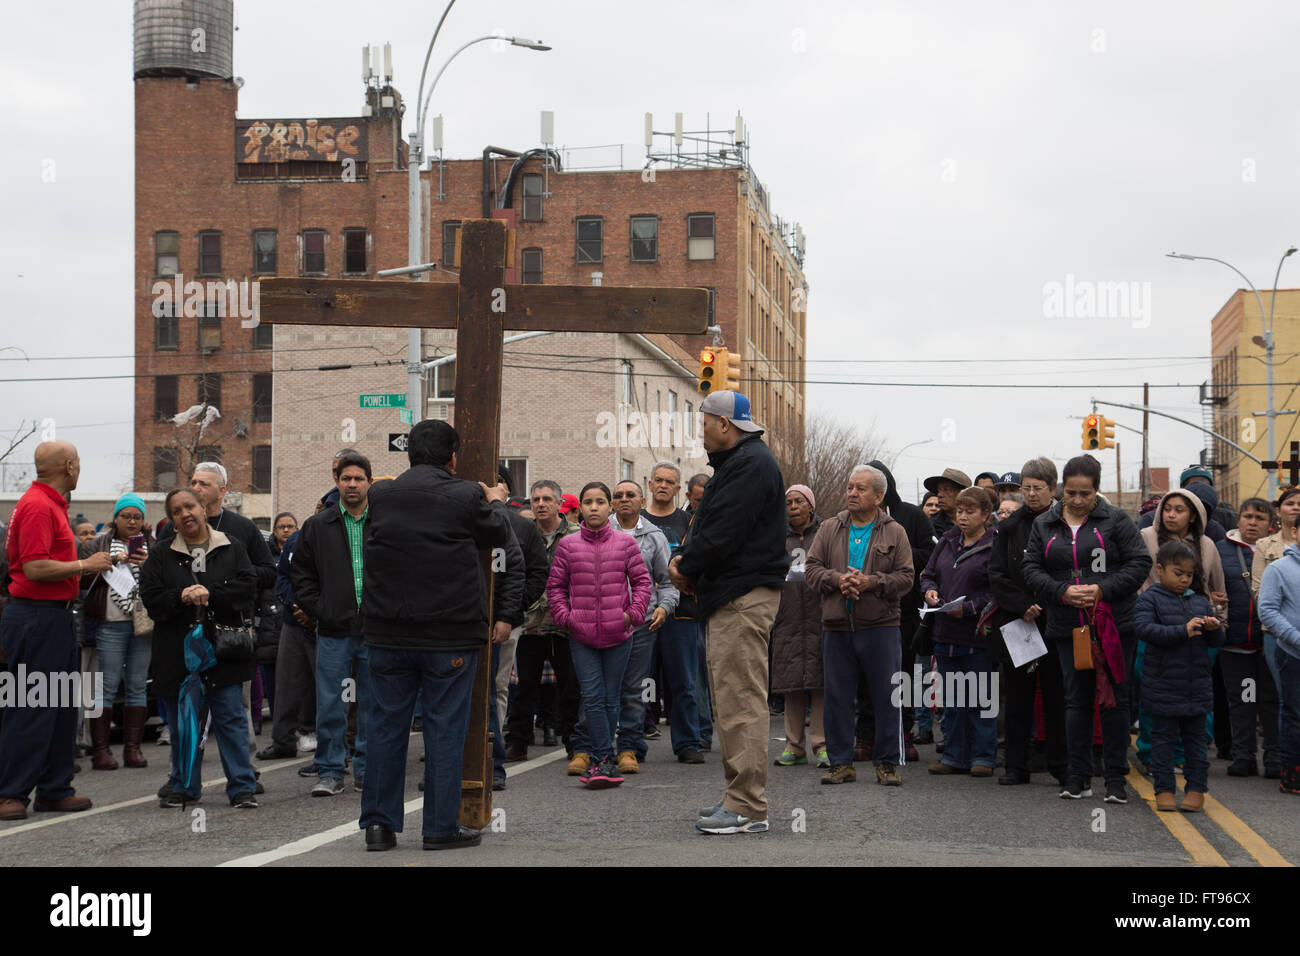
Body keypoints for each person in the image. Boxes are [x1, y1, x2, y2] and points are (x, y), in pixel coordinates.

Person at [358, 420, 520, 851]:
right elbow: (499, 533)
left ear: (409, 455)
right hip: (448, 635)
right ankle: (439, 828)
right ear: (452, 458)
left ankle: (378, 825)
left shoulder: (381, 495)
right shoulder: (465, 494)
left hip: (388, 634)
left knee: (385, 730)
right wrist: (498, 500)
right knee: (444, 732)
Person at [669, 390, 788, 835]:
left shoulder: (749, 464)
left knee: (741, 701)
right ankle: (737, 798)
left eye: (704, 424)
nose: (701, 433)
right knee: (733, 700)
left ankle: (747, 807)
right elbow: (715, 529)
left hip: (742, 596)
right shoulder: (743, 463)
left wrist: (687, 565)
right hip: (736, 595)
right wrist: (689, 561)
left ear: (724, 424)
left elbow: (722, 533)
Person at [1022, 454, 1152, 803]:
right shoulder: (1045, 524)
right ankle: (1076, 776)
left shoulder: (1115, 521)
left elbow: (1141, 562)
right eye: (1072, 493)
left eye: (1086, 493)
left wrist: (1102, 589)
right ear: (1063, 489)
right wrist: (1061, 591)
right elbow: (1031, 567)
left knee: (1114, 701)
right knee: (1075, 700)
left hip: (1113, 626)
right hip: (1068, 627)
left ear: (1097, 490)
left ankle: (1115, 779)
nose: (1078, 501)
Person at [0, 441, 105, 821]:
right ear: (69, 465)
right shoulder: (38, 506)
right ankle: (9, 793)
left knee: (61, 707)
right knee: (31, 704)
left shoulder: (49, 505)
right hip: (36, 617)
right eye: (78, 462)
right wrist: (83, 563)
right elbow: (34, 568)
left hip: (55, 617)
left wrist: (88, 561)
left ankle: (54, 789)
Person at [139, 487, 259, 808]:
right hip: (176, 654)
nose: (185, 514)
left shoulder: (231, 546)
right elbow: (151, 599)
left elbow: (248, 586)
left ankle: (242, 787)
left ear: (203, 508)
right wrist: (181, 595)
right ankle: (184, 785)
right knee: (182, 723)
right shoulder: (161, 553)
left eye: (190, 506)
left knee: (230, 719)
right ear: (172, 519)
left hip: (224, 651)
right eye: (177, 511)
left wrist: (210, 592)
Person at [805, 465, 914, 785]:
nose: (852, 493)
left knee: (886, 695)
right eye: (850, 487)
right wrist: (839, 580)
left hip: (880, 625)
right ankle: (841, 762)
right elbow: (811, 570)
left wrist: (870, 583)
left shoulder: (896, 531)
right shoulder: (829, 527)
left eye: (860, 489)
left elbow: (906, 577)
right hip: (836, 625)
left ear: (878, 496)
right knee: (837, 697)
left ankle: (887, 763)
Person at [548, 481, 652, 788]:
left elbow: (643, 583)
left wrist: (631, 615)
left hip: (619, 634)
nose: (594, 507)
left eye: (600, 502)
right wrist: (566, 618)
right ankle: (603, 757)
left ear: (610, 508)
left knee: (610, 698)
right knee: (592, 697)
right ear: (580, 507)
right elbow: (555, 586)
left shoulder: (625, 544)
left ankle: (603, 757)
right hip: (581, 637)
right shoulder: (568, 545)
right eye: (588, 502)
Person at [291, 451, 374, 797]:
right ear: (337, 481)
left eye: (358, 478)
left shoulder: (383, 521)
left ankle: (369, 770)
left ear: (369, 481)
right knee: (331, 705)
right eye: (346, 478)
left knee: (373, 704)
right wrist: (321, 610)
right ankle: (330, 770)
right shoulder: (317, 526)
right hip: (333, 632)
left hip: (374, 631)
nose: (352, 484)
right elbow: (301, 576)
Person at [1134, 488, 1227, 770]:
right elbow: (1135, 580)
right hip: (1155, 629)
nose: (1171, 514)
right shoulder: (1145, 538)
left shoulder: (1207, 545)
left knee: (1196, 696)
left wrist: (1219, 622)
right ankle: (1153, 755)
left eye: (1179, 510)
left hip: (1198, 631)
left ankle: (1187, 756)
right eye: (1167, 508)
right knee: (1154, 696)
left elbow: (1218, 589)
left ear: (1194, 517)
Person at [989, 457, 1067, 788]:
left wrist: (1048, 601)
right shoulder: (1010, 526)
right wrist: (1022, 605)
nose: (1031, 494)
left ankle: (1061, 766)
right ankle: (1016, 766)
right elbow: (996, 574)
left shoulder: (1063, 523)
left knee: (1056, 697)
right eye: (1026, 487)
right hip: (1019, 622)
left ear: (1052, 489)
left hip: (1056, 621)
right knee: (1018, 697)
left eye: (1038, 488)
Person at [1135, 540, 1222, 811]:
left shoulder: (1199, 601)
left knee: (1196, 743)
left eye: (1189, 574)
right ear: (1160, 569)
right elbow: (1144, 629)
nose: (1185, 579)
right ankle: (1164, 789)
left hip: (1196, 686)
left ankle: (1196, 789)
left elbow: (1216, 640)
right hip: (1162, 685)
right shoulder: (1149, 598)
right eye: (1178, 573)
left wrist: (1214, 627)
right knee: (1163, 741)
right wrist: (1181, 631)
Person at [919, 486, 997, 777]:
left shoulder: (993, 545)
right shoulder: (948, 540)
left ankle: (984, 757)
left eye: (970, 512)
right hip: (944, 631)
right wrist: (930, 591)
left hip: (976, 634)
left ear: (986, 515)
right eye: (960, 511)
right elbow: (927, 574)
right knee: (952, 700)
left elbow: (996, 592)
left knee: (979, 698)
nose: (963, 517)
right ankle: (954, 755)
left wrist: (968, 609)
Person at [863, 458, 935, 761]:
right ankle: (866, 737)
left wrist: (894, 556)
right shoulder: (853, 519)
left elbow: (931, 554)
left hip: (904, 611)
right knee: (866, 679)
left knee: (901, 676)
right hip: (865, 611)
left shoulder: (912, 515)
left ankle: (904, 734)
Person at [607, 480, 679, 773]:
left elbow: (668, 579)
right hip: (603, 624)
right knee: (603, 688)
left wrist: (664, 607)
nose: (624, 499)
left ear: (641, 500)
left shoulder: (654, 535)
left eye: (630, 495)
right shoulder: (600, 531)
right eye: (618, 496)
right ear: (612, 503)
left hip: (640, 623)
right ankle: (596, 746)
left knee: (634, 688)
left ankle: (629, 746)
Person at [507, 479, 581, 767]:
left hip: (566, 625)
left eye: (547, 499)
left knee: (570, 686)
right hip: (530, 624)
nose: (540, 504)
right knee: (525, 687)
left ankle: (575, 742)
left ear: (559, 503)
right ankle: (518, 742)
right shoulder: (522, 533)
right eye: (536, 499)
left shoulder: (576, 534)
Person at [78, 493, 154, 771]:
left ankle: (132, 750)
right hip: (110, 621)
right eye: (126, 516)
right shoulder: (98, 544)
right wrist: (106, 562)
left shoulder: (152, 545)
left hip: (143, 623)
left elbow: (165, 579)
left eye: (137, 517)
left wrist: (148, 565)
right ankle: (101, 751)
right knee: (106, 686)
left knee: (137, 685)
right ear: (115, 518)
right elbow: (81, 579)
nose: (132, 522)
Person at [642, 461, 708, 758]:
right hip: (641, 613)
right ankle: (632, 742)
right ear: (650, 484)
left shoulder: (690, 522)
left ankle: (688, 743)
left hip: (682, 611)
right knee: (638, 680)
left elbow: (701, 559)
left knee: (684, 681)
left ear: (678, 489)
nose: (664, 485)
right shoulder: (638, 521)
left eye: (670, 481)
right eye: (659, 480)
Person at [1217, 498, 1281, 778]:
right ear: (1239, 520)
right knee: (1243, 701)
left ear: (1270, 524)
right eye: (1247, 516)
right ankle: (1243, 756)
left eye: (1260, 518)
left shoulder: (1280, 551)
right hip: (1237, 643)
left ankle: (1275, 758)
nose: (1253, 522)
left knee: (1271, 700)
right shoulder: (1221, 551)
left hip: (1272, 642)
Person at [771, 485, 827, 768]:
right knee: (791, 684)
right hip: (787, 618)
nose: (793, 506)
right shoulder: (777, 536)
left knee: (820, 684)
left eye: (799, 501)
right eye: (789, 502)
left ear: (811, 506)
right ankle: (794, 746)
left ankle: (822, 745)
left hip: (820, 617)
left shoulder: (824, 533)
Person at [1257, 513, 1300, 796]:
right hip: (1292, 654)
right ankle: (1293, 774)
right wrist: (1296, 638)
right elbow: (1268, 610)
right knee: (1295, 714)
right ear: (1295, 532)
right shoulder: (1280, 568)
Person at [922, 468, 971, 537]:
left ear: (960, 493)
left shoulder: (977, 522)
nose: (939, 495)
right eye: (939, 490)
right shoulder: (930, 526)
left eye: (946, 489)